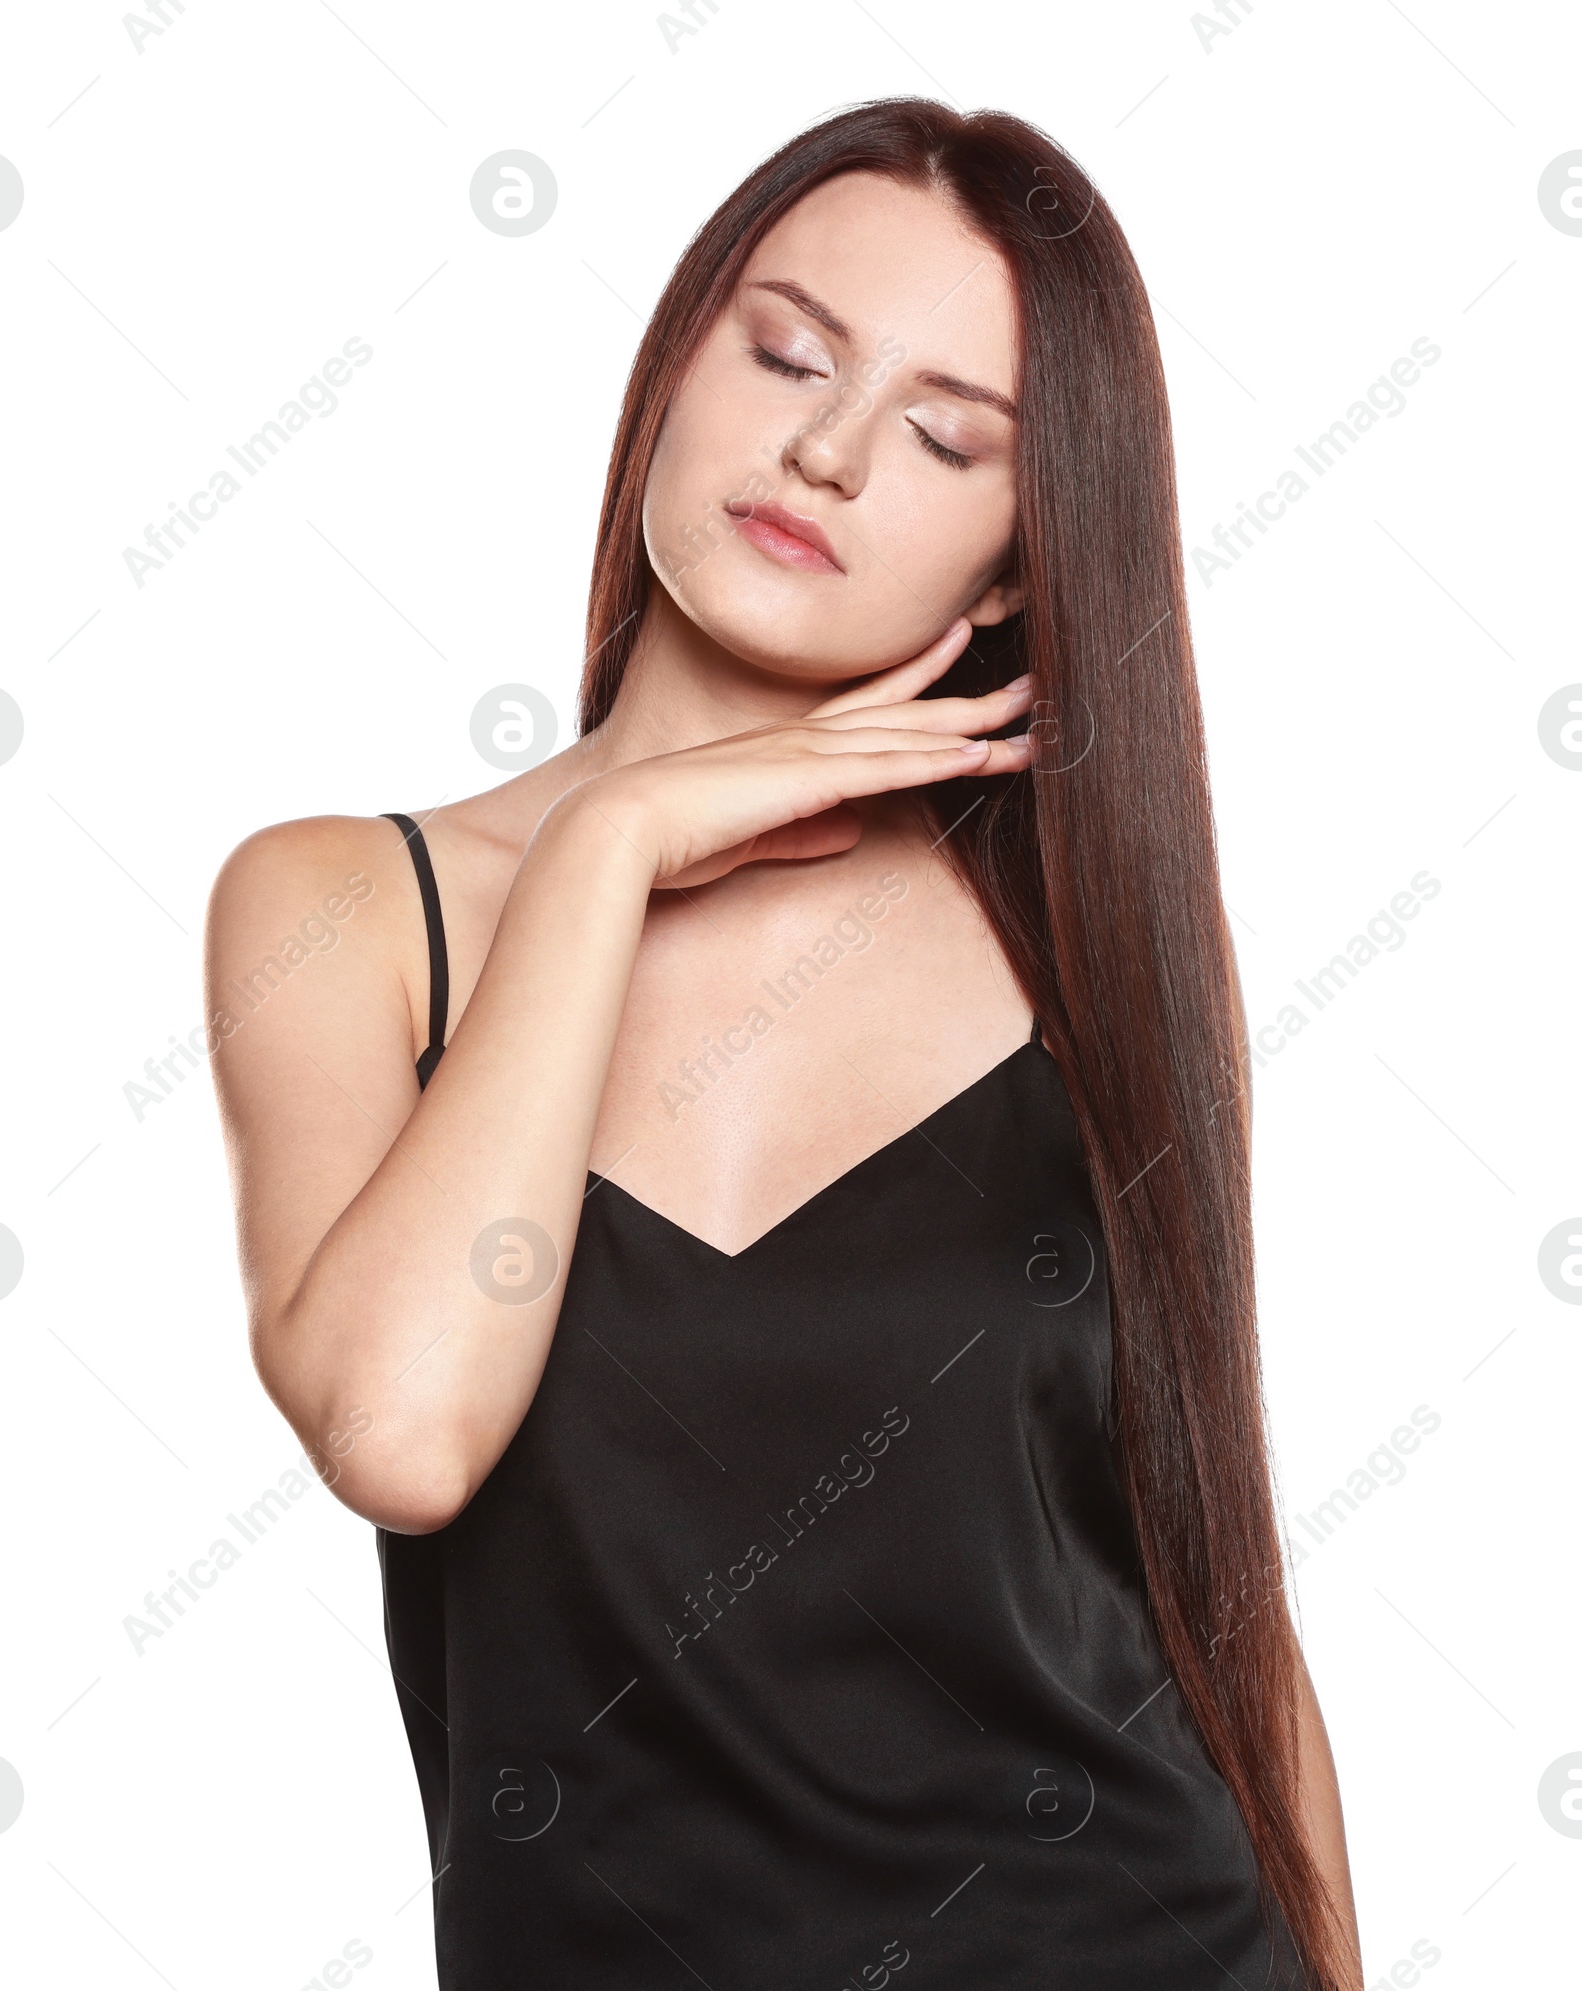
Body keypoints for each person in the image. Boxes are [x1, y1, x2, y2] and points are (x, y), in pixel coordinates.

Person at [207, 98, 1362, 1991]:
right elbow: (403, 1430)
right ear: (676, 371)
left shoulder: (1087, 953)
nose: (822, 451)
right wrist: (602, 849)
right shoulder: (343, 909)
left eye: (938, 436)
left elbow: (1220, 1591)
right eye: (787, 353)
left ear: (1010, 566)